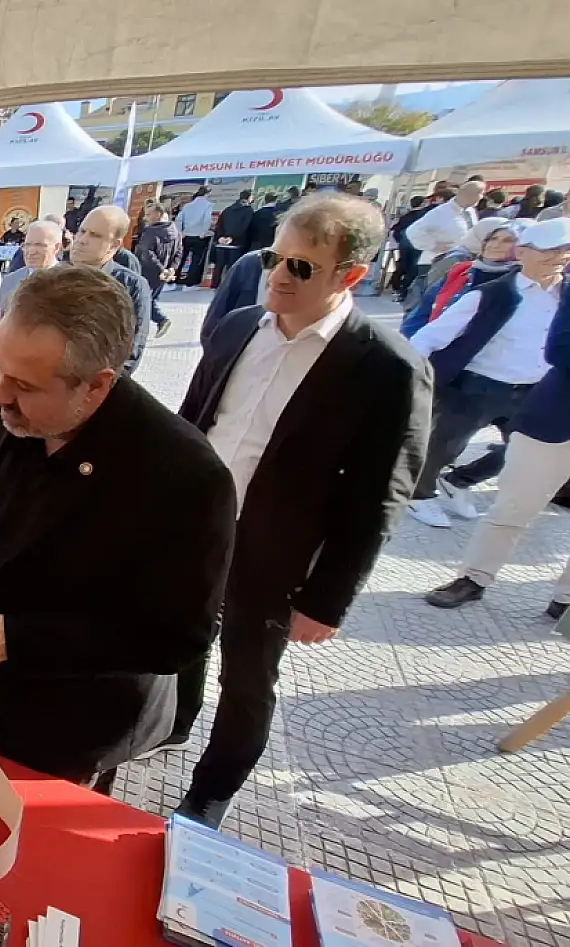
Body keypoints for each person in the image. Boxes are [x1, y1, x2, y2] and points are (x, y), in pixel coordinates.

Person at [167, 193, 431, 827]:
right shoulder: (237, 327)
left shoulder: (388, 368)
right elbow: (193, 421)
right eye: (273, 257)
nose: (279, 276)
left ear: (352, 275)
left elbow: (380, 496)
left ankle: (213, 789)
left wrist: (327, 598)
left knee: (248, 678)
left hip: (276, 552)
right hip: (198, 528)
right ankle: (173, 723)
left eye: (302, 267)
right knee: (181, 638)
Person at [0, 266, 236, 786]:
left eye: (22, 385)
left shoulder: (187, 475)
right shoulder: (12, 399)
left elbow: (180, 637)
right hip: (0, 679)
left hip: (85, 716)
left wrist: (21, 639)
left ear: (98, 385)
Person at [405, 219, 570, 530]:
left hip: (533, 388)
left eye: (564, 250)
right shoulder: (490, 295)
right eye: (550, 250)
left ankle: (460, 480)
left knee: (524, 451)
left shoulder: (565, 296)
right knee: (444, 445)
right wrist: (409, 375)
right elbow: (430, 335)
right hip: (477, 386)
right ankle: (420, 495)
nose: (558, 257)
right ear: (522, 253)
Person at [424, 285, 570, 616]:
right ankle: (473, 578)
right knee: (514, 506)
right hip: (556, 421)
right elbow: (561, 351)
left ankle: (565, 601)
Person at [399, 218, 521, 338]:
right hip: (430, 345)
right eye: (493, 238)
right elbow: (423, 310)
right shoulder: (460, 270)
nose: (495, 245)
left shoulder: (519, 281)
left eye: (507, 241)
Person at [68, 206, 154, 374]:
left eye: (95, 235)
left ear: (114, 245)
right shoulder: (55, 277)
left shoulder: (131, 286)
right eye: (82, 231)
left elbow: (132, 349)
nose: (82, 239)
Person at [405, 179, 485, 296]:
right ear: (469, 194)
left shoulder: (470, 212)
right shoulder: (441, 212)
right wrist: (433, 245)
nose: (482, 197)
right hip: (436, 263)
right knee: (430, 298)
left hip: (460, 263)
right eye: (480, 193)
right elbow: (413, 231)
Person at [136, 202, 181, 339]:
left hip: (147, 271)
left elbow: (146, 253)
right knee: (151, 298)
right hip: (162, 274)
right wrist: (171, 269)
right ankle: (160, 321)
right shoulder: (175, 230)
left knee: (142, 300)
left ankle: (160, 320)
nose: (146, 218)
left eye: (148, 215)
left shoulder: (151, 231)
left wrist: (163, 270)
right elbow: (179, 252)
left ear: (158, 214)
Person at [211, 189, 255, 288]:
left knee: (218, 267)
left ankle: (214, 286)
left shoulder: (227, 209)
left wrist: (221, 237)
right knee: (232, 268)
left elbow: (219, 225)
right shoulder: (248, 210)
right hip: (237, 244)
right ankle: (228, 288)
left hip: (221, 243)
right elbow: (245, 227)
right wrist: (232, 238)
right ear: (249, 198)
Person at [173, 186, 215, 289]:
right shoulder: (208, 205)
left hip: (186, 235)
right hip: (199, 236)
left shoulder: (188, 205)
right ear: (206, 194)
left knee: (181, 257)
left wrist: (180, 232)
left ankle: (175, 277)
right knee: (196, 259)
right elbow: (206, 219)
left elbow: (179, 219)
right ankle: (190, 280)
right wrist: (203, 232)